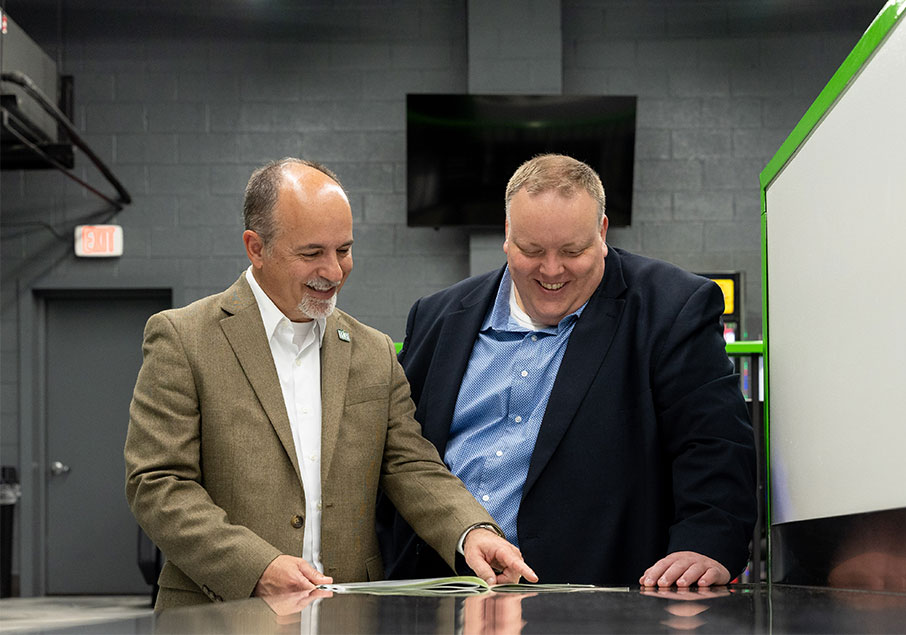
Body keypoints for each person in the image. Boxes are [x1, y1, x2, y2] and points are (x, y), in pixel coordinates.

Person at [125, 158, 536, 609]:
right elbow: (159, 483)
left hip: (346, 614)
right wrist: (256, 567)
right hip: (220, 610)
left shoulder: (373, 351)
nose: (335, 271)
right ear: (255, 248)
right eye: (312, 253)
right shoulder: (184, 338)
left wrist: (470, 530)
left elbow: (411, 466)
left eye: (343, 250)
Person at [378, 154, 757, 588]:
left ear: (601, 233)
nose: (552, 270)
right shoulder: (438, 316)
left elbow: (714, 442)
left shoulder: (670, 308)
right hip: (435, 590)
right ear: (507, 236)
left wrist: (706, 540)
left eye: (572, 251)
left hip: (591, 596)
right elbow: (401, 450)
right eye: (531, 250)